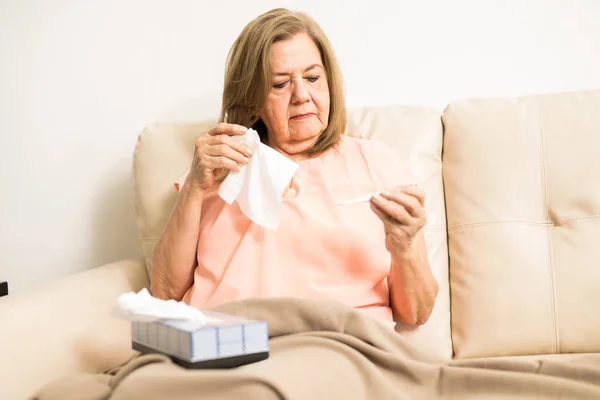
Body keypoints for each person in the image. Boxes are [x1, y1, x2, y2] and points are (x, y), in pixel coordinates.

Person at [150, 8, 438, 327]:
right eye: (279, 84)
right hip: (227, 345)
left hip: (338, 345)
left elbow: (418, 313)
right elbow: (163, 294)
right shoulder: (219, 166)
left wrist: (405, 247)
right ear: (251, 98)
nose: (302, 95)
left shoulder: (376, 162)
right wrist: (194, 187)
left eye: (313, 78)